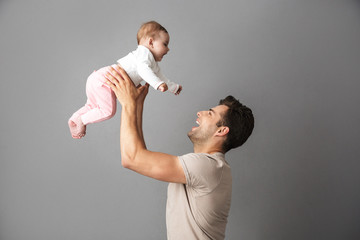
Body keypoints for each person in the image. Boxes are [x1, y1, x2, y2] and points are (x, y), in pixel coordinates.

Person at [105, 65, 254, 240]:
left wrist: (129, 104)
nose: (200, 113)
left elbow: (132, 158)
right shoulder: (211, 166)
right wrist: (136, 105)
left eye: (210, 114)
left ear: (221, 131)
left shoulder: (208, 166)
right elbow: (139, 153)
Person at [68, 21, 182, 139]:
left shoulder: (151, 62)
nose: (168, 49)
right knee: (108, 111)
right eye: (165, 44)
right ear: (151, 42)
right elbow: (144, 70)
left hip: (98, 78)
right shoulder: (144, 54)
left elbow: (161, 76)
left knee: (92, 106)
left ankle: (75, 119)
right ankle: (82, 120)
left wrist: (173, 87)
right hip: (105, 81)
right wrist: (157, 84)